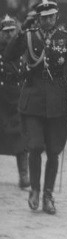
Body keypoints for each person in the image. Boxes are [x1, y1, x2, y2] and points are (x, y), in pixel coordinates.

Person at [4, 0, 67, 214]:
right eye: (43, 17)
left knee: (53, 150)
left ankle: (48, 194)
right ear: (38, 18)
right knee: (36, 146)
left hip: (58, 102)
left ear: (56, 16)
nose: (48, 21)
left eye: (51, 16)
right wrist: (22, 30)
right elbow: (9, 54)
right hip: (32, 101)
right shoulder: (28, 36)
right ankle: (35, 190)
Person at [0, 15, 29, 189]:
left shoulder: (23, 50)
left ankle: (23, 175)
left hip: (18, 98)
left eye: (12, 31)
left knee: (21, 137)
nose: (9, 34)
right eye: (5, 32)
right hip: (1, 99)